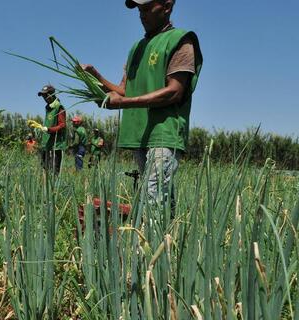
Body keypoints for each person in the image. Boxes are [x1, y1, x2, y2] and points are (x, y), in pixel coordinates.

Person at [81, 0, 203, 208]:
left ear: (167, 6)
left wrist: (124, 103)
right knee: (157, 199)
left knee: (153, 197)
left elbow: (174, 91)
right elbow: (125, 91)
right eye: (139, 10)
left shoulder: (181, 41)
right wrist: (95, 77)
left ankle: (151, 239)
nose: (141, 14)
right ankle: (165, 238)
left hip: (164, 133)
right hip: (141, 134)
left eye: (147, 8)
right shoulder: (137, 48)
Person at [36, 84, 67, 175]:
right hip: (46, 144)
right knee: (45, 169)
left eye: (46, 95)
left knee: (54, 172)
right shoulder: (48, 107)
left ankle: (54, 189)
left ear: (52, 94)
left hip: (55, 145)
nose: (44, 98)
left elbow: (62, 125)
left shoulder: (59, 107)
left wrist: (49, 129)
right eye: (43, 96)